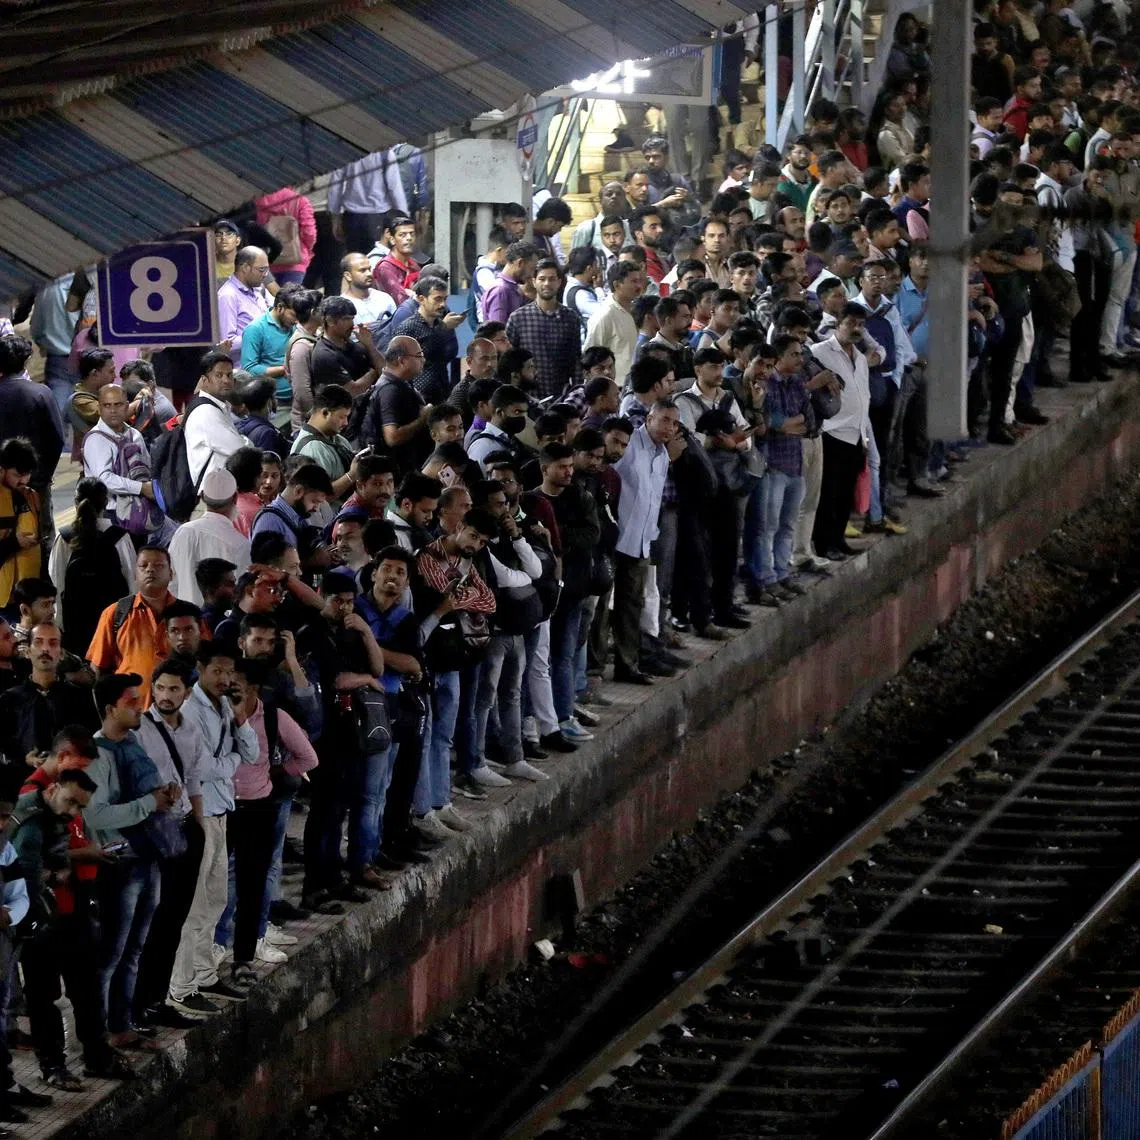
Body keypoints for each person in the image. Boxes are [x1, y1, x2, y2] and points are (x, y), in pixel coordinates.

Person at [83, 673, 181, 1049]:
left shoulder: (133, 740)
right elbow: (97, 816)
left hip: (147, 856)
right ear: (110, 709)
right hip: (119, 863)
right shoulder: (97, 754)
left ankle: (121, 1025)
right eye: (131, 701)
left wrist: (163, 795)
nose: (140, 706)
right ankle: (97, 1035)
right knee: (111, 953)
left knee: (134, 949)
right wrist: (149, 804)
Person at [170, 642, 258, 1003]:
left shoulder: (224, 706)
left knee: (216, 900)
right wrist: (232, 759)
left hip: (222, 811)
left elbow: (252, 753)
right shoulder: (191, 712)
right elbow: (204, 768)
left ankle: (205, 975)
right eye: (217, 671)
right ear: (201, 669)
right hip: (199, 812)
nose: (224, 679)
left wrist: (240, 718)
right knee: (194, 905)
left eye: (229, 672)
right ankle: (182, 985)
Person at [130, 659, 207, 1027]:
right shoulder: (140, 730)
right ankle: (135, 1005)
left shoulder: (191, 730)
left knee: (175, 917)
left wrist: (200, 825)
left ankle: (156, 1000)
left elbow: (193, 780)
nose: (165, 695)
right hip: (152, 832)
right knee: (149, 921)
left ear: (186, 692)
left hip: (183, 828)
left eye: (174, 689)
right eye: (160, 688)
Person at [412, 510, 497, 841]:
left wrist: (463, 599)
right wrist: (462, 599)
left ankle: (441, 801)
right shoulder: (427, 556)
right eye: (473, 536)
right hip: (430, 654)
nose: (476, 545)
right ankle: (423, 810)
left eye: (483, 541)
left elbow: (488, 601)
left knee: (444, 734)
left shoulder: (468, 562)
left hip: (455, 656)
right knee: (427, 735)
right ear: (459, 526)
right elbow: (441, 595)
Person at [611, 401, 683, 684]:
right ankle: (592, 672)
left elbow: (654, 499)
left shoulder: (663, 454)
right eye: (664, 420)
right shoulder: (630, 445)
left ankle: (628, 664)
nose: (669, 428)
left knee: (633, 605)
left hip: (641, 541)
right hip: (617, 538)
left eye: (674, 423)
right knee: (603, 610)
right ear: (650, 418)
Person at [0, 621, 97, 798]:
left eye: (52, 643)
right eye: (38, 642)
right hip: (22, 790)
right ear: (28, 651)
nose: (45, 649)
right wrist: (24, 759)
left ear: (61, 653)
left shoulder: (79, 698)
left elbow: (91, 743)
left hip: (69, 791)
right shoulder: (10, 699)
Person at [811, 304, 871, 559]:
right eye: (851, 323)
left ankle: (838, 539)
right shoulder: (820, 352)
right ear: (838, 323)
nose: (856, 329)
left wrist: (865, 435)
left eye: (860, 324)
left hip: (856, 433)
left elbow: (863, 395)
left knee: (846, 493)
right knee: (829, 494)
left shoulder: (861, 358)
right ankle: (824, 544)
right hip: (832, 433)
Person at [48, 478, 135, 654]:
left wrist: (60, 624)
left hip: (75, 624)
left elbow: (56, 583)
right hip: (114, 623)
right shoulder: (119, 537)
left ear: (75, 502)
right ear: (106, 502)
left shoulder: (65, 537)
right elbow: (133, 583)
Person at [86, 547, 178, 703]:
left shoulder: (187, 614)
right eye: (143, 566)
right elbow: (97, 670)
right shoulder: (115, 613)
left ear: (171, 574)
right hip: (130, 714)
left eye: (158, 565)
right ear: (135, 575)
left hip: (180, 714)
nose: (150, 570)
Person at [81, 384, 168, 544]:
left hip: (140, 515)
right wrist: (141, 488)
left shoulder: (135, 435)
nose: (113, 410)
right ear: (99, 408)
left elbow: (147, 469)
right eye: (107, 405)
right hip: (110, 516)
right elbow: (104, 479)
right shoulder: (96, 439)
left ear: (127, 406)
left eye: (118, 404)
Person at [169, 470, 252, 605]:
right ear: (235, 498)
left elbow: (171, 582)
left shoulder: (182, 532)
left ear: (202, 496)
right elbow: (240, 596)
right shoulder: (240, 544)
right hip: (218, 623)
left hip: (185, 620)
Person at [506, 258, 583, 400]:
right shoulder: (518, 318)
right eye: (542, 279)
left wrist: (576, 394)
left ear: (559, 282)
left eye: (552, 279)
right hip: (527, 398)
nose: (547, 284)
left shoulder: (571, 318)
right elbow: (509, 362)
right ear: (534, 281)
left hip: (561, 398)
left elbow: (576, 361)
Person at [0, 335, 65, 503]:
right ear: (27, 360)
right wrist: (41, 478)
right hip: (34, 484)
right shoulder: (41, 393)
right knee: (35, 526)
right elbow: (56, 439)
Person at [390, 277, 463, 406]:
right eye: (437, 299)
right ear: (421, 299)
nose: (442, 305)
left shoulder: (440, 324)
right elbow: (396, 365)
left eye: (445, 299)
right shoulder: (408, 327)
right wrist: (443, 328)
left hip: (441, 393)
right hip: (416, 397)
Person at [184, 350, 247, 486]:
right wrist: (246, 441)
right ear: (205, 381)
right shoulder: (205, 412)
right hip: (213, 497)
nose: (226, 380)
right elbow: (240, 451)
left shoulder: (218, 405)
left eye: (229, 375)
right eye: (219, 375)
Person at [585, 262, 646, 385]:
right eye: (633, 281)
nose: (639, 286)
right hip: (616, 387)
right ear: (617, 285)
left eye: (640, 280)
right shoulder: (604, 316)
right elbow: (590, 357)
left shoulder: (639, 310)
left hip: (638, 384)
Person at [240, 285, 300, 403]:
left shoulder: (295, 326)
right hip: (273, 402)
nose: (297, 321)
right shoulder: (255, 329)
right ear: (280, 307)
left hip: (297, 397)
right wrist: (286, 369)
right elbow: (249, 368)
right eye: (293, 315)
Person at [0, 439, 41, 608]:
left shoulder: (32, 496)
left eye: (27, 474)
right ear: (2, 470)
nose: (23, 480)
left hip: (27, 595)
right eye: (17, 475)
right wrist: (14, 543)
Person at [217, 247, 271, 364]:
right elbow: (228, 343)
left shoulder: (259, 290)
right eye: (262, 269)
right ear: (245, 268)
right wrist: (262, 336)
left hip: (265, 365)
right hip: (245, 373)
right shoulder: (227, 296)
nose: (266, 274)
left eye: (267, 269)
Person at [482, 242, 537, 326]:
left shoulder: (513, 289)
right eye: (531, 269)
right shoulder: (500, 291)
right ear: (520, 263)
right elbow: (497, 331)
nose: (532, 274)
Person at [373, 215, 420, 303]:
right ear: (392, 240)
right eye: (403, 235)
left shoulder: (414, 265)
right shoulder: (385, 267)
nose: (409, 238)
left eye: (412, 234)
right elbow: (401, 299)